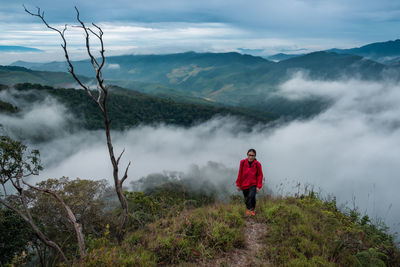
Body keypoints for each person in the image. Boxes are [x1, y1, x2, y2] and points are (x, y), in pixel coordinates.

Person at [236, 148, 263, 216]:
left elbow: (260, 175)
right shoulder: (243, 162)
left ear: (255, 156)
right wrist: (238, 184)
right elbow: (240, 173)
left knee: (251, 196)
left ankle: (252, 209)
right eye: (249, 155)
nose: (251, 157)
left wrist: (258, 186)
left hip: (253, 184)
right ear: (247, 155)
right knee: (246, 198)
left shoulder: (257, 164)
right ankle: (248, 209)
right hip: (244, 184)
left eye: (252, 155)